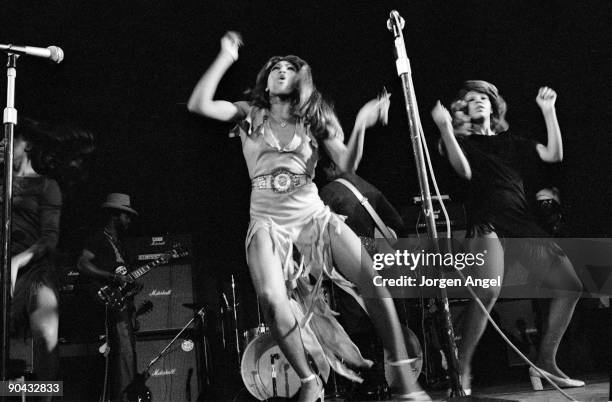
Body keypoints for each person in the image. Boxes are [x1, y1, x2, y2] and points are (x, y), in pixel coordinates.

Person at [188, 31, 429, 401]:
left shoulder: (316, 117)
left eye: (290, 67)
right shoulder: (249, 113)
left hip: (313, 215)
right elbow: (199, 103)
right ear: (265, 81)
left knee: (372, 279)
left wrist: (362, 122)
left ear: (302, 80)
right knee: (271, 298)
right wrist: (224, 56)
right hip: (267, 222)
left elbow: (347, 163)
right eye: (276, 68)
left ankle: (402, 374)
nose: (283, 70)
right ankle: (309, 381)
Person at [431, 80, 583, 393]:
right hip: (487, 220)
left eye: (483, 97)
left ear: (493, 104)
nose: (478, 101)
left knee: (570, 286)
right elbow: (465, 172)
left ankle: (545, 362)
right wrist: (446, 128)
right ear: (464, 110)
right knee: (487, 291)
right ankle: (462, 369)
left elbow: (553, 154)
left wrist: (549, 111)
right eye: (470, 99)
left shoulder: (513, 141)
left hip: (521, 222)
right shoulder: (463, 142)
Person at [7, 118, 94, 393]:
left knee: (46, 348)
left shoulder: (46, 185)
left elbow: (50, 238)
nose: (3, 142)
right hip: (4, 272)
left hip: (34, 272)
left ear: (28, 144)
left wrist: (19, 260)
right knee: (9, 364)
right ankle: (11, 391)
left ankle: (43, 397)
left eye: (11, 138)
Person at [77, 193, 138, 402]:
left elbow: (125, 279)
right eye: (126, 216)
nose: (129, 220)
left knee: (124, 355)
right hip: (103, 305)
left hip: (122, 306)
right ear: (114, 215)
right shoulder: (97, 239)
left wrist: (132, 286)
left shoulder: (122, 244)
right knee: (122, 355)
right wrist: (111, 277)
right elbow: (83, 264)